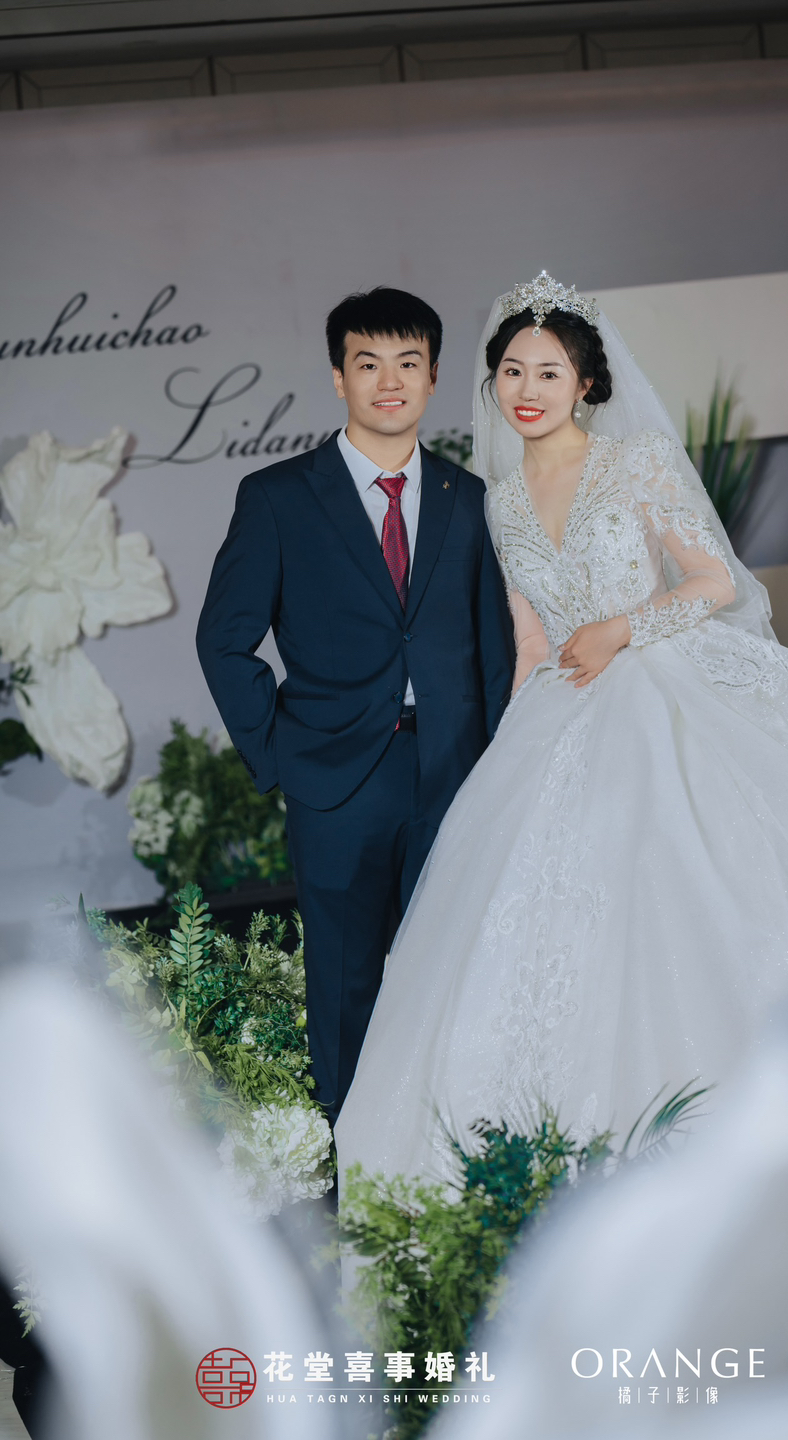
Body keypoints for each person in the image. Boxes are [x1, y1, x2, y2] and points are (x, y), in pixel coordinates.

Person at [335, 272, 788, 1266]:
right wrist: (511, 751)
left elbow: (715, 583)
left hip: (670, 692)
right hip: (561, 713)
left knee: (703, 892)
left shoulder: (637, 462)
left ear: (586, 383)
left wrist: (623, 628)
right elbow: (528, 640)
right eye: (512, 371)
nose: (527, 388)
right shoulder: (500, 500)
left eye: (549, 371)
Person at [196, 287, 515, 1122]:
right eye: (368, 363)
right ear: (339, 377)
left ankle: (451, 1145)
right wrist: (281, 754)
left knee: (455, 969)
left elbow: (495, 651)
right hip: (335, 780)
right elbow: (223, 640)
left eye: (409, 363)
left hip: (453, 772)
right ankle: (355, 1160)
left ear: (434, 376)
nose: (390, 381)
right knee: (343, 982)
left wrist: (497, 765)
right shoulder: (278, 497)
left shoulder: (469, 498)